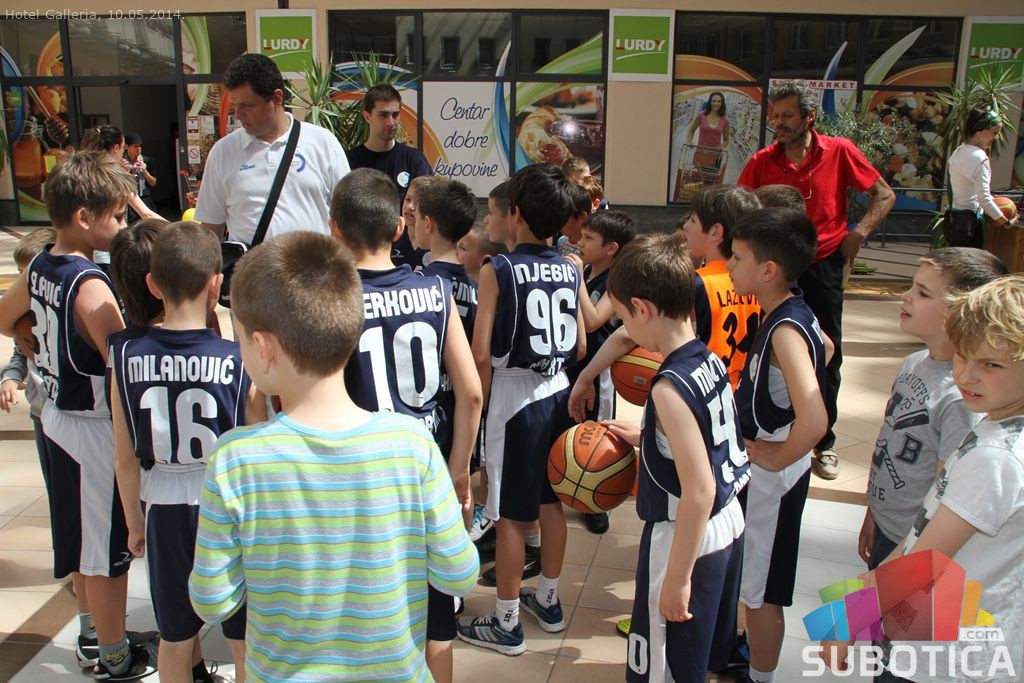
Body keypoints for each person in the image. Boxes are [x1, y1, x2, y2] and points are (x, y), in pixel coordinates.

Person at [189, 231, 478, 681]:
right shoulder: (414, 446)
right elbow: (459, 575)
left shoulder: (234, 461)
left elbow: (212, 600)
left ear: (262, 348)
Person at [0, 151, 159, 678]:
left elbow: (4, 316)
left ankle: (94, 633)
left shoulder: (41, 263)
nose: (123, 225)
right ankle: (114, 654)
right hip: (90, 427)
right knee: (106, 550)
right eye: (117, 216)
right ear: (85, 218)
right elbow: (122, 363)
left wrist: (27, 331)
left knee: (80, 537)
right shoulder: (90, 285)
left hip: (54, 418)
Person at [823, 275, 1024, 683]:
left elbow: (925, 561)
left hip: (947, 656)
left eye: (991, 364)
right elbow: (923, 533)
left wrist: (848, 617)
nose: (967, 376)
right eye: (963, 357)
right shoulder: (996, 427)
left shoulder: (995, 459)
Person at [329, 168, 482, 683]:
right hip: (425, 463)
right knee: (437, 619)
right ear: (399, 227)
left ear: (333, 228)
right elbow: (471, 392)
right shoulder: (435, 289)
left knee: (365, 603)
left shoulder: (332, 299)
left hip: (359, 473)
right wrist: (459, 470)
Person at [593, 233, 749, 682]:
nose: (626, 328)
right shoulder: (709, 358)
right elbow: (708, 444)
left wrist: (678, 578)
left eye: (623, 317)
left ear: (641, 309)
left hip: (686, 534)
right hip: (727, 524)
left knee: (663, 667)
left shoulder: (667, 387)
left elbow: (699, 490)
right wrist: (648, 438)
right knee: (695, 658)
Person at [111, 222, 256, 683]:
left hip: (164, 505)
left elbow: (124, 456)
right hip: (226, 503)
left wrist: (134, 522)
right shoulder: (237, 360)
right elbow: (255, 444)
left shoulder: (125, 356)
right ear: (216, 285)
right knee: (242, 637)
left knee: (175, 634)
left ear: (152, 285)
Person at [738, 79, 896, 481]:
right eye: (775, 115)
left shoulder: (839, 150)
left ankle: (823, 441)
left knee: (827, 352)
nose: (778, 123)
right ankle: (766, 425)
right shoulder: (762, 160)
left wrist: (859, 233)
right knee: (762, 349)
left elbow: (884, 194)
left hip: (822, 264)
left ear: (810, 116)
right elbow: (739, 206)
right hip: (772, 269)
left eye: (787, 115)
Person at [456, 164, 584, 655]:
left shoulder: (498, 269)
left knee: (509, 515)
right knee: (551, 504)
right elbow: (579, 345)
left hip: (514, 399)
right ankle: (547, 599)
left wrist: (480, 408)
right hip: (558, 391)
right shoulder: (570, 266)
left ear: (516, 215)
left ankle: (507, 622)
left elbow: (481, 354)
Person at [726, 207, 828, 683]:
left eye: (737, 257)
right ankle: (748, 654)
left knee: (761, 592)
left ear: (767, 270)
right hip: (772, 474)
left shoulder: (784, 329)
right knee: (756, 581)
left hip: (775, 478)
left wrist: (775, 454)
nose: (729, 265)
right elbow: (826, 347)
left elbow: (815, 419)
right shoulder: (790, 312)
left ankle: (760, 675)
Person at [195, 53, 350, 246]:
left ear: (277, 98)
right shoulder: (222, 152)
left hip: (316, 264)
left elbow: (348, 216)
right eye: (235, 105)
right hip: (253, 266)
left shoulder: (322, 142)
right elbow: (211, 229)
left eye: (247, 105)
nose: (238, 115)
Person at [565, 210, 635, 535]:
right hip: (574, 364)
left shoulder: (617, 282)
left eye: (589, 238)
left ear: (611, 248)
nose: (580, 243)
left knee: (597, 433)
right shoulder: (587, 269)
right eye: (582, 236)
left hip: (600, 370)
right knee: (572, 430)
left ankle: (596, 503)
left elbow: (594, 320)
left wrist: (577, 281)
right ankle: (570, 482)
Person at [347, 83, 433, 269]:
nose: (391, 122)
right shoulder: (350, 161)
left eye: (395, 114)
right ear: (367, 116)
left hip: (410, 259)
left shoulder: (413, 159)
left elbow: (429, 203)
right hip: (365, 255)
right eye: (383, 115)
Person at [1, 228, 57, 492]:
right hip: (39, 412)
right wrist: (11, 377)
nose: (24, 283)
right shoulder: (22, 314)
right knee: (53, 485)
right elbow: (19, 352)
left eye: (30, 274)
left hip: (68, 412)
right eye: (20, 274)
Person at [947, 107, 1020, 247]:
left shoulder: (959, 151)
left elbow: (966, 191)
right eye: (995, 132)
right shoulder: (980, 159)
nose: (997, 138)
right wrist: (1005, 222)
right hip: (969, 225)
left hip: (953, 221)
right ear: (981, 130)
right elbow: (984, 199)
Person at [81, 124, 162, 225]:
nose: (123, 152)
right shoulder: (116, 178)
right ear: (116, 148)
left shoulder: (78, 174)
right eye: (123, 148)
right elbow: (146, 214)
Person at [687, 91, 731, 183]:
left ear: (722, 103)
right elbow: (691, 130)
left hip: (714, 156)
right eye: (714, 101)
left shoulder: (725, 120)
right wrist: (689, 141)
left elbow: (726, 140)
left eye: (719, 101)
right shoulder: (701, 115)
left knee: (709, 183)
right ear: (710, 102)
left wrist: (721, 147)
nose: (716, 103)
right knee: (696, 181)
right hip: (700, 154)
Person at [123, 133, 157, 222]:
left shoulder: (146, 161)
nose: (139, 148)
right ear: (127, 147)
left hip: (144, 197)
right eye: (135, 146)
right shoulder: (122, 162)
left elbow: (153, 183)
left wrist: (145, 172)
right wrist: (127, 172)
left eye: (140, 146)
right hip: (129, 199)